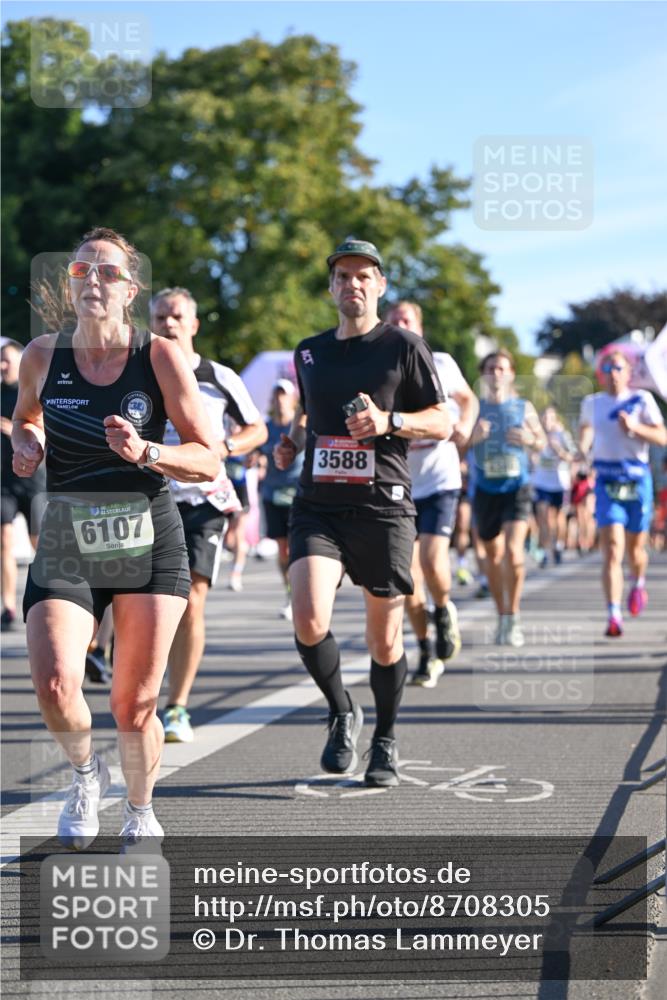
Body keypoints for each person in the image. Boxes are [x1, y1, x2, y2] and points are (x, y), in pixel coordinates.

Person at [13, 228, 220, 848]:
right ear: (70, 285)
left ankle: (137, 806)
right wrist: (29, 440)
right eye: (82, 272)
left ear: (130, 290)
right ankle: (83, 774)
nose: (93, 282)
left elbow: (209, 460)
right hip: (71, 532)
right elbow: (28, 416)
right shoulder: (42, 355)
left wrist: (148, 450)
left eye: (107, 273)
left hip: (147, 535)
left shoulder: (157, 357)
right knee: (54, 683)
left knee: (133, 706)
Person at [274, 238, 450, 787]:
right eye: (342, 276)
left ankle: (386, 741)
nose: (352, 284)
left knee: (386, 639)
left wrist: (390, 422)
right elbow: (312, 414)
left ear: (380, 285)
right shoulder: (309, 351)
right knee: (307, 618)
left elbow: (443, 421)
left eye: (363, 276)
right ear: (331, 287)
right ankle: (341, 709)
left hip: (383, 508)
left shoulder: (404, 346)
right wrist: (292, 440)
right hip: (318, 506)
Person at [150, 286, 266, 743]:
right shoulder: (139, 373)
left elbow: (256, 428)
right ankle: (139, 694)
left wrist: (225, 446)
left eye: (177, 315)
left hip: (204, 500)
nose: (168, 324)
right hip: (150, 498)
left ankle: (177, 706)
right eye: (160, 317)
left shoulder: (219, 376)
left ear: (194, 324)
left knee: (191, 601)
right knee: (142, 603)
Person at [385, 301, 477, 687]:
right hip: (400, 481)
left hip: (440, 479)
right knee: (406, 575)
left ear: (419, 326)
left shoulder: (440, 361)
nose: (401, 326)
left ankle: (443, 608)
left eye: (407, 320)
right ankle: (424, 648)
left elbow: (467, 400)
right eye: (394, 322)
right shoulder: (381, 366)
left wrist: (465, 427)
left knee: (434, 559)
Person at [578, 351, 666, 637]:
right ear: (601, 373)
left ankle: (638, 581)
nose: (612, 372)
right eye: (607, 367)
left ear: (628, 373)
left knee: (635, 550)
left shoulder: (642, 400)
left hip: (637, 480)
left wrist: (635, 428)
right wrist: (582, 448)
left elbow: (662, 436)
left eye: (618, 367)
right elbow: (587, 432)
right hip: (606, 480)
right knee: (613, 548)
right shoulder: (591, 403)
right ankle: (613, 613)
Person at [470, 350, 545, 647]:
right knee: (493, 556)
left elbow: (540, 441)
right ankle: (502, 615)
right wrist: (473, 436)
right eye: (491, 368)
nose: (496, 373)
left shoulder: (523, 407)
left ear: (511, 373)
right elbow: (458, 444)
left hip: (517, 486)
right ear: (484, 373)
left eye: (502, 368)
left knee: (514, 553)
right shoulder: (475, 408)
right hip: (486, 488)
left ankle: (513, 617)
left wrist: (529, 440)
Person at [1, 340, 47, 630]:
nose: (2, 366)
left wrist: (13, 430)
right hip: (2, 483)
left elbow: (48, 432)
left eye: (7, 360)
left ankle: (47, 599)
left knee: (40, 545)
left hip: (33, 481)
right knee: (3, 541)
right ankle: (7, 605)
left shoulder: (32, 392)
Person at [258, 379, 304, 620]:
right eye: (276, 395)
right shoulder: (267, 428)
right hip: (272, 494)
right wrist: (257, 461)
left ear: (292, 399)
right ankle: (290, 594)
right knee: (283, 550)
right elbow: (256, 452)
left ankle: (303, 592)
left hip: (297, 493)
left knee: (298, 547)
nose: (279, 399)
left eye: (284, 395)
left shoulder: (300, 426)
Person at [532, 405, 576, 567]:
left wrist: (559, 451)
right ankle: (544, 552)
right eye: (543, 418)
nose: (546, 421)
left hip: (560, 483)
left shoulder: (563, 435)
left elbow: (573, 457)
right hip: (541, 482)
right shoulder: (537, 435)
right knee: (542, 516)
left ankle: (558, 546)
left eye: (549, 418)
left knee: (558, 518)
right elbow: (530, 453)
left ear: (555, 419)